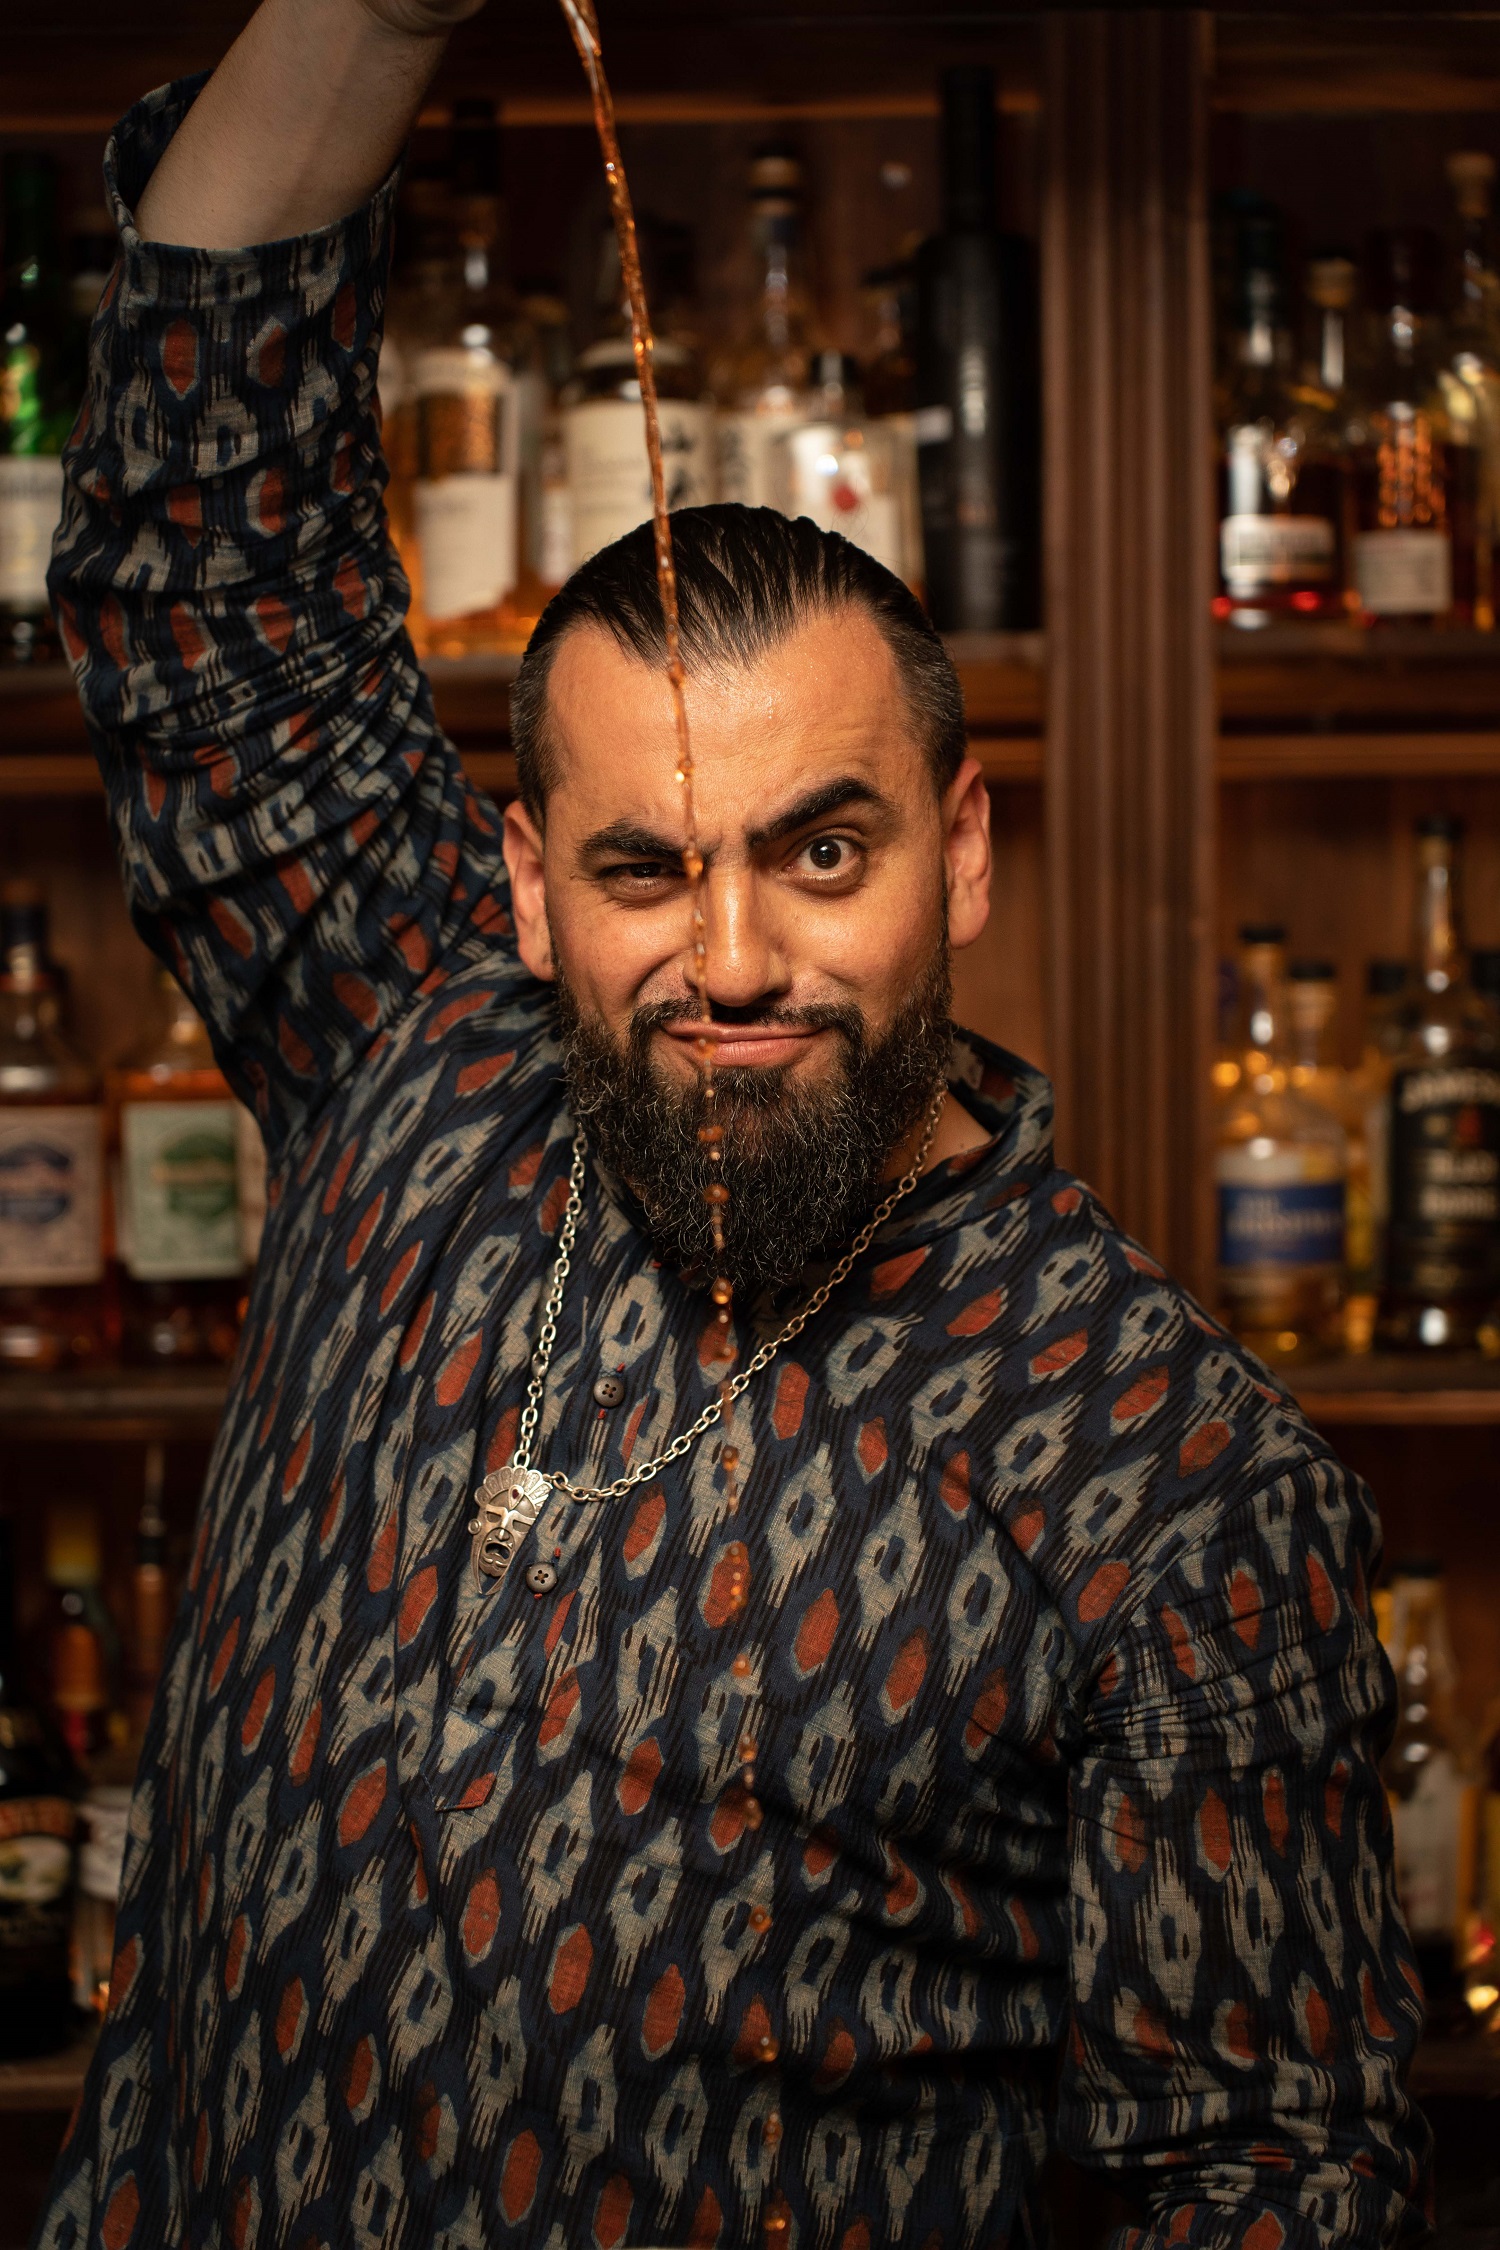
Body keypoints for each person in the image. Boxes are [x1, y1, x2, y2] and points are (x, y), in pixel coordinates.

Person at [36, 2, 1429, 2246]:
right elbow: (206, 562)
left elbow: (1268, 2185)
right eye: (642, 869)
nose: (735, 957)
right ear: (526, 891)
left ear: (962, 856)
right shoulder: (423, 1059)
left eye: (823, 850)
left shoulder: (1171, 1488)